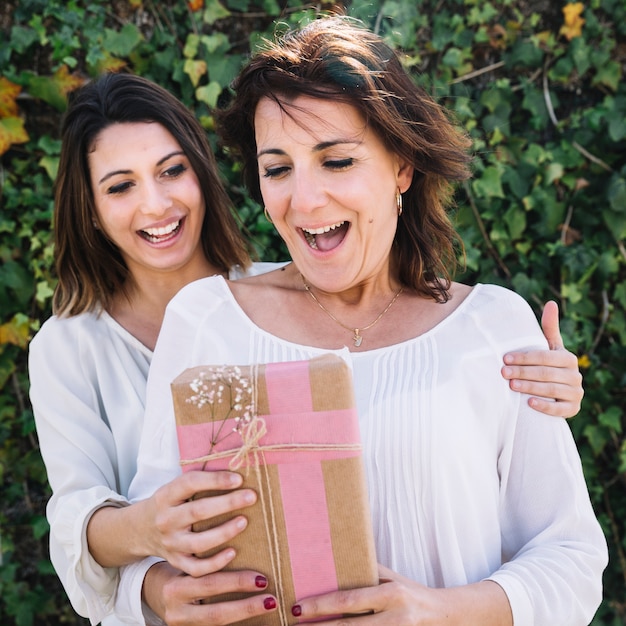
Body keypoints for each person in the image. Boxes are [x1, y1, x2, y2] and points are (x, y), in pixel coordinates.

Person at [28, 69, 585, 626]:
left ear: (402, 164)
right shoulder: (195, 323)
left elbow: (570, 558)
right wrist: (152, 580)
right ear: (91, 210)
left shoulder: (490, 326)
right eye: (277, 169)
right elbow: (116, 530)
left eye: (337, 160)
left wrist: (437, 611)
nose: (307, 199)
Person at [28, 73, 284, 626]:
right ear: (91, 209)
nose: (156, 203)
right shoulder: (68, 346)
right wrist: (149, 551)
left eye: (172, 171)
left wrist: (513, 375)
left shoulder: (286, 294)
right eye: (121, 186)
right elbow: (76, 517)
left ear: (200, 174)